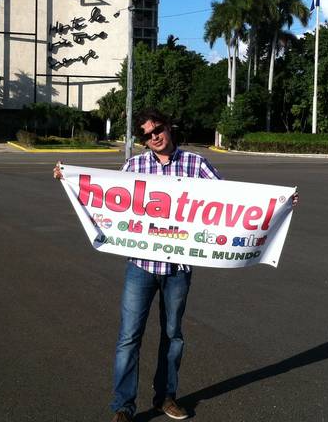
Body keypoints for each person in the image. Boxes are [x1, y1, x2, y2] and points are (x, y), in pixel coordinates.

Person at [54, 108, 219, 422]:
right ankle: (123, 406)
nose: (153, 137)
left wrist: (278, 204)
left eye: (157, 129)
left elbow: (230, 202)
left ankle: (165, 397)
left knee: (173, 335)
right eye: (146, 134)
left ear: (169, 127)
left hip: (178, 269)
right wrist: (70, 178)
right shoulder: (135, 165)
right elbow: (106, 196)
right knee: (129, 336)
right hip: (141, 265)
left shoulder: (197, 164)